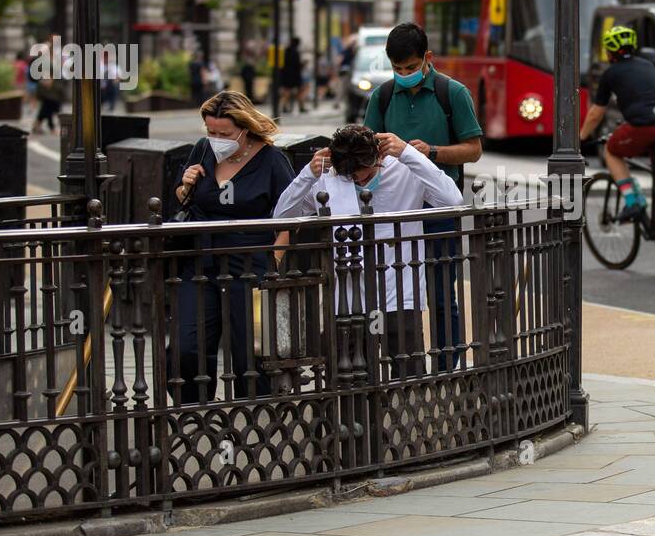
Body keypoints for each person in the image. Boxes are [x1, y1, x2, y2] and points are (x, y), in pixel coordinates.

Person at [309, 22, 482, 368]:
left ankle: (448, 365)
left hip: (437, 204)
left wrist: (428, 152)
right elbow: (366, 141)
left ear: (428, 58)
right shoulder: (384, 95)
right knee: (396, 293)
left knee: (441, 292)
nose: (404, 74)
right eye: (397, 68)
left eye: (411, 67)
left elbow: (473, 150)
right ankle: (390, 363)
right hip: (395, 204)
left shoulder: (453, 93)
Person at [273, 124, 464, 379]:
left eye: (364, 175)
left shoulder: (405, 168)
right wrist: (307, 174)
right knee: (348, 374)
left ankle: (403, 417)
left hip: (399, 289)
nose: (359, 182)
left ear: (380, 156)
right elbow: (282, 216)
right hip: (348, 294)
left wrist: (408, 152)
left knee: (407, 371)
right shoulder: (330, 176)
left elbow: (453, 200)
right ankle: (353, 419)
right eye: (351, 178)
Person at [170, 91, 295, 403]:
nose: (215, 138)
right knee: (187, 345)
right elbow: (182, 199)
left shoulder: (272, 160)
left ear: (244, 128)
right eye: (210, 131)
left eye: (223, 133)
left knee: (250, 351)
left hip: (250, 262)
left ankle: (256, 414)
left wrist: (274, 262)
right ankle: (193, 409)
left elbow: (289, 217)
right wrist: (185, 185)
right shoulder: (202, 151)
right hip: (200, 260)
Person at [578, 25, 655, 225]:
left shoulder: (610, 74)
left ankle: (631, 200)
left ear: (610, 51)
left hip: (644, 125)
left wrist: (581, 137)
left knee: (612, 151)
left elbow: (597, 112)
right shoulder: (647, 65)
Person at [278, 37, 303, 115]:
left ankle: (284, 106)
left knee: (287, 91)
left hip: (285, 75)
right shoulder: (295, 52)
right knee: (299, 91)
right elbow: (297, 65)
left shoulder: (286, 51)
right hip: (294, 75)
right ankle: (301, 107)